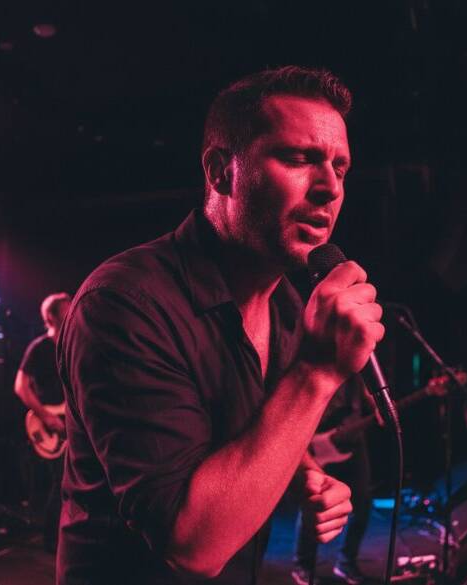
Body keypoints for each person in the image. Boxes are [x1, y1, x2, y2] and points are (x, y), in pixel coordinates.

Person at [56, 66, 383, 584]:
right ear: (220, 172)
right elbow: (190, 547)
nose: (329, 189)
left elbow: (243, 427)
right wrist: (317, 373)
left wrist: (305, 476)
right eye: (300, 159)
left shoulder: (286, 309)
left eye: (340, 168)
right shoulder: (124, 303)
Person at [293, 376, 374, 585]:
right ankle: (303, 564)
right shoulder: (320, 352)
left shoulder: (364, 362)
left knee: (363, 503)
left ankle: (346, 562)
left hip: (353, 440)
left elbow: (366, 397)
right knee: (316, 500)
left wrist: (376, 406)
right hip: (319, 437)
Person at [15, 292, 71, 553]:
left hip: (72, 422)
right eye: (66, 310)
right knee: (60, 483)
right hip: (50, 424)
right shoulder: (39, 348)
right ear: (51, 317)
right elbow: (20, 386)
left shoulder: (73, 346)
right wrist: (46, 415)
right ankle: (52, 541)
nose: (73, 313)